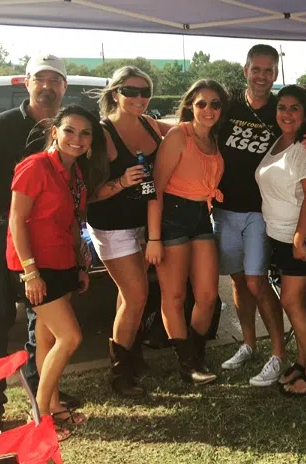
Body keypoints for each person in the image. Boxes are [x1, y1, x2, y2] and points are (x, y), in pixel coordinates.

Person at [0, 54, 80, 437]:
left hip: (47, 235)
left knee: (41, 324)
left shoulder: (68, 131)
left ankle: (42, 397)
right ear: (26, 82)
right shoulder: (2, 126)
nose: (48, 86)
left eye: (55, 80)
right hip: (0, 230)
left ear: (64, 87)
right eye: (40, 79)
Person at [8, 105, 108, 441]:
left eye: (85, 133)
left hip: (63, 261)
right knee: (70, 337)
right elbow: (16, 221)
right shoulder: (35, 166)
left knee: (48, 338)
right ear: (54, 131)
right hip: (38, 267)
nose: (77, 139)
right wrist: (30, 272)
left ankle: (52, 406)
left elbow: (73, 223)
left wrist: (80, 266)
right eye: (69, 131)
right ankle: (40, 416)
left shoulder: (74, 172)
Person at [86, 66, 172, 397]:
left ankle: (132, 355)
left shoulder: (149, 124)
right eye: (131, 91)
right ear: (115, 93)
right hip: (112, 227)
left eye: (145, 92)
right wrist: (121, 182)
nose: (139, 98)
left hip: (143, 223)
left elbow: (187, 130)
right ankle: (120, 374)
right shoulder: (101, 133)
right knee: (137, 296)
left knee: (130, 295)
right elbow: (88, 194)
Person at [212, 44, 288, 387]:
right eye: (256, 69)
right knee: (238, 280)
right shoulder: (227, 105)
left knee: (257, 281)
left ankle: (279, 354)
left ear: (275, 73)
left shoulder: (282, 107)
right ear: (245, 71)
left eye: (268, 70)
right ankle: (248, 344)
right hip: (224, 209)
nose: (261, 76)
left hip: (261, 210)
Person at [255, 85, 306, 395]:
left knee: (291, 301)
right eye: (282, 107)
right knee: (298, 301)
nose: (286, 114)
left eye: (294, 108)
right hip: (284, 236)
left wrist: (300, 238)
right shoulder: (281, 141)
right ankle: (304, 363)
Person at [146, 79, 228, 386]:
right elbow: (156, 189)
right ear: (190, 106)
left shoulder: (214, 139)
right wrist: (154, 238)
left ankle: (195, 354)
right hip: (172, 218)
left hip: (201, 216)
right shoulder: (179, 135)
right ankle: (188, 363)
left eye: (215, 104)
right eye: (201, 103)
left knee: (207, 296)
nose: (208, 109)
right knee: (175, 295)